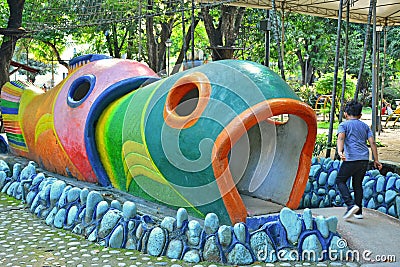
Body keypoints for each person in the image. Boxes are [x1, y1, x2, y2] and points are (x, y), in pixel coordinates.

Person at [336, 100, 382, 220]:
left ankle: (350, 205)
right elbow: (372, 142)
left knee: (340, 180)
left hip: (351, 159)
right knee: (357, 184)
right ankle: (359, 212)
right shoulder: (365, 126)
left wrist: (340, 152)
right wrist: (376, 160)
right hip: (363, 160)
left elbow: (341, 138)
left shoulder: (344, 125)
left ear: (346, 114)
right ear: (360, 115)